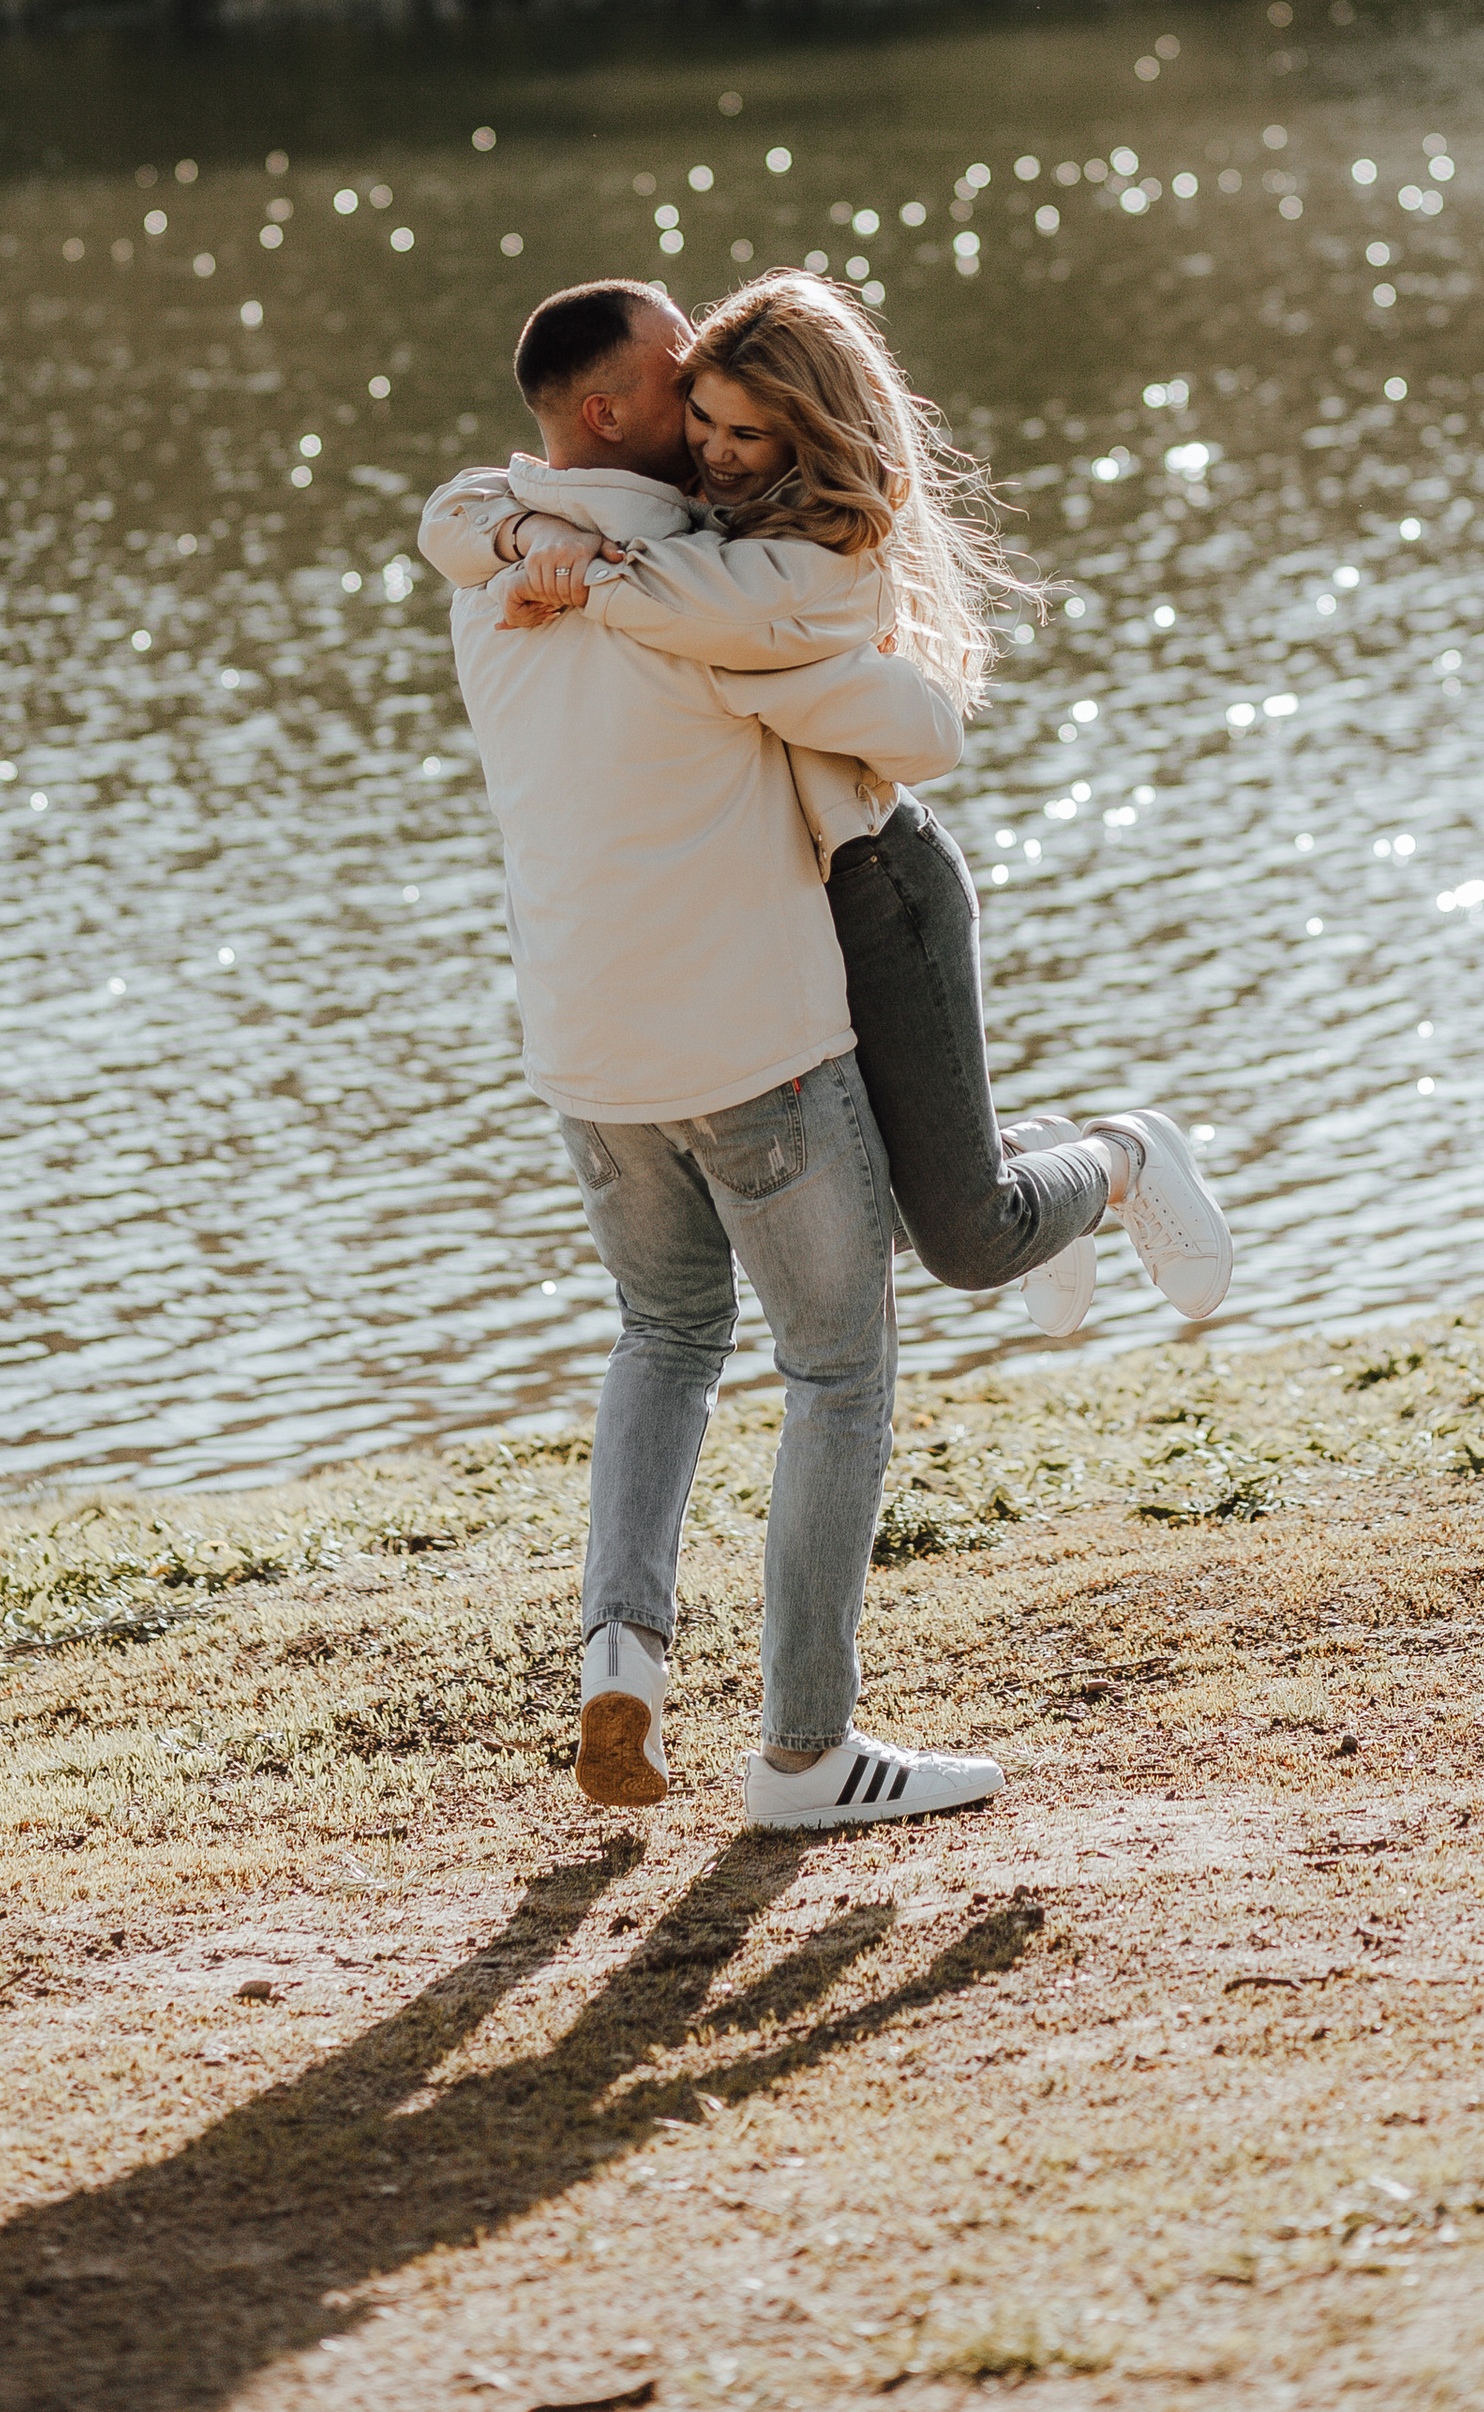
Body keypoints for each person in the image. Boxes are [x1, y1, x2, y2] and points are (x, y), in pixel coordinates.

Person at [420, 271, 1231, 1831]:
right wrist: (579, 563)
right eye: (684, 391)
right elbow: (869, 696)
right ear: (613, 414)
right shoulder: (704, 567)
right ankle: (805, 1756)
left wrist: (542, 547)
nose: (711, 426)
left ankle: (622, 1661)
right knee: (839, 1371)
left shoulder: (507, 560)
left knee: (664, 1338)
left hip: (587, 1057)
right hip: (752, 1046)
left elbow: (909, 717)